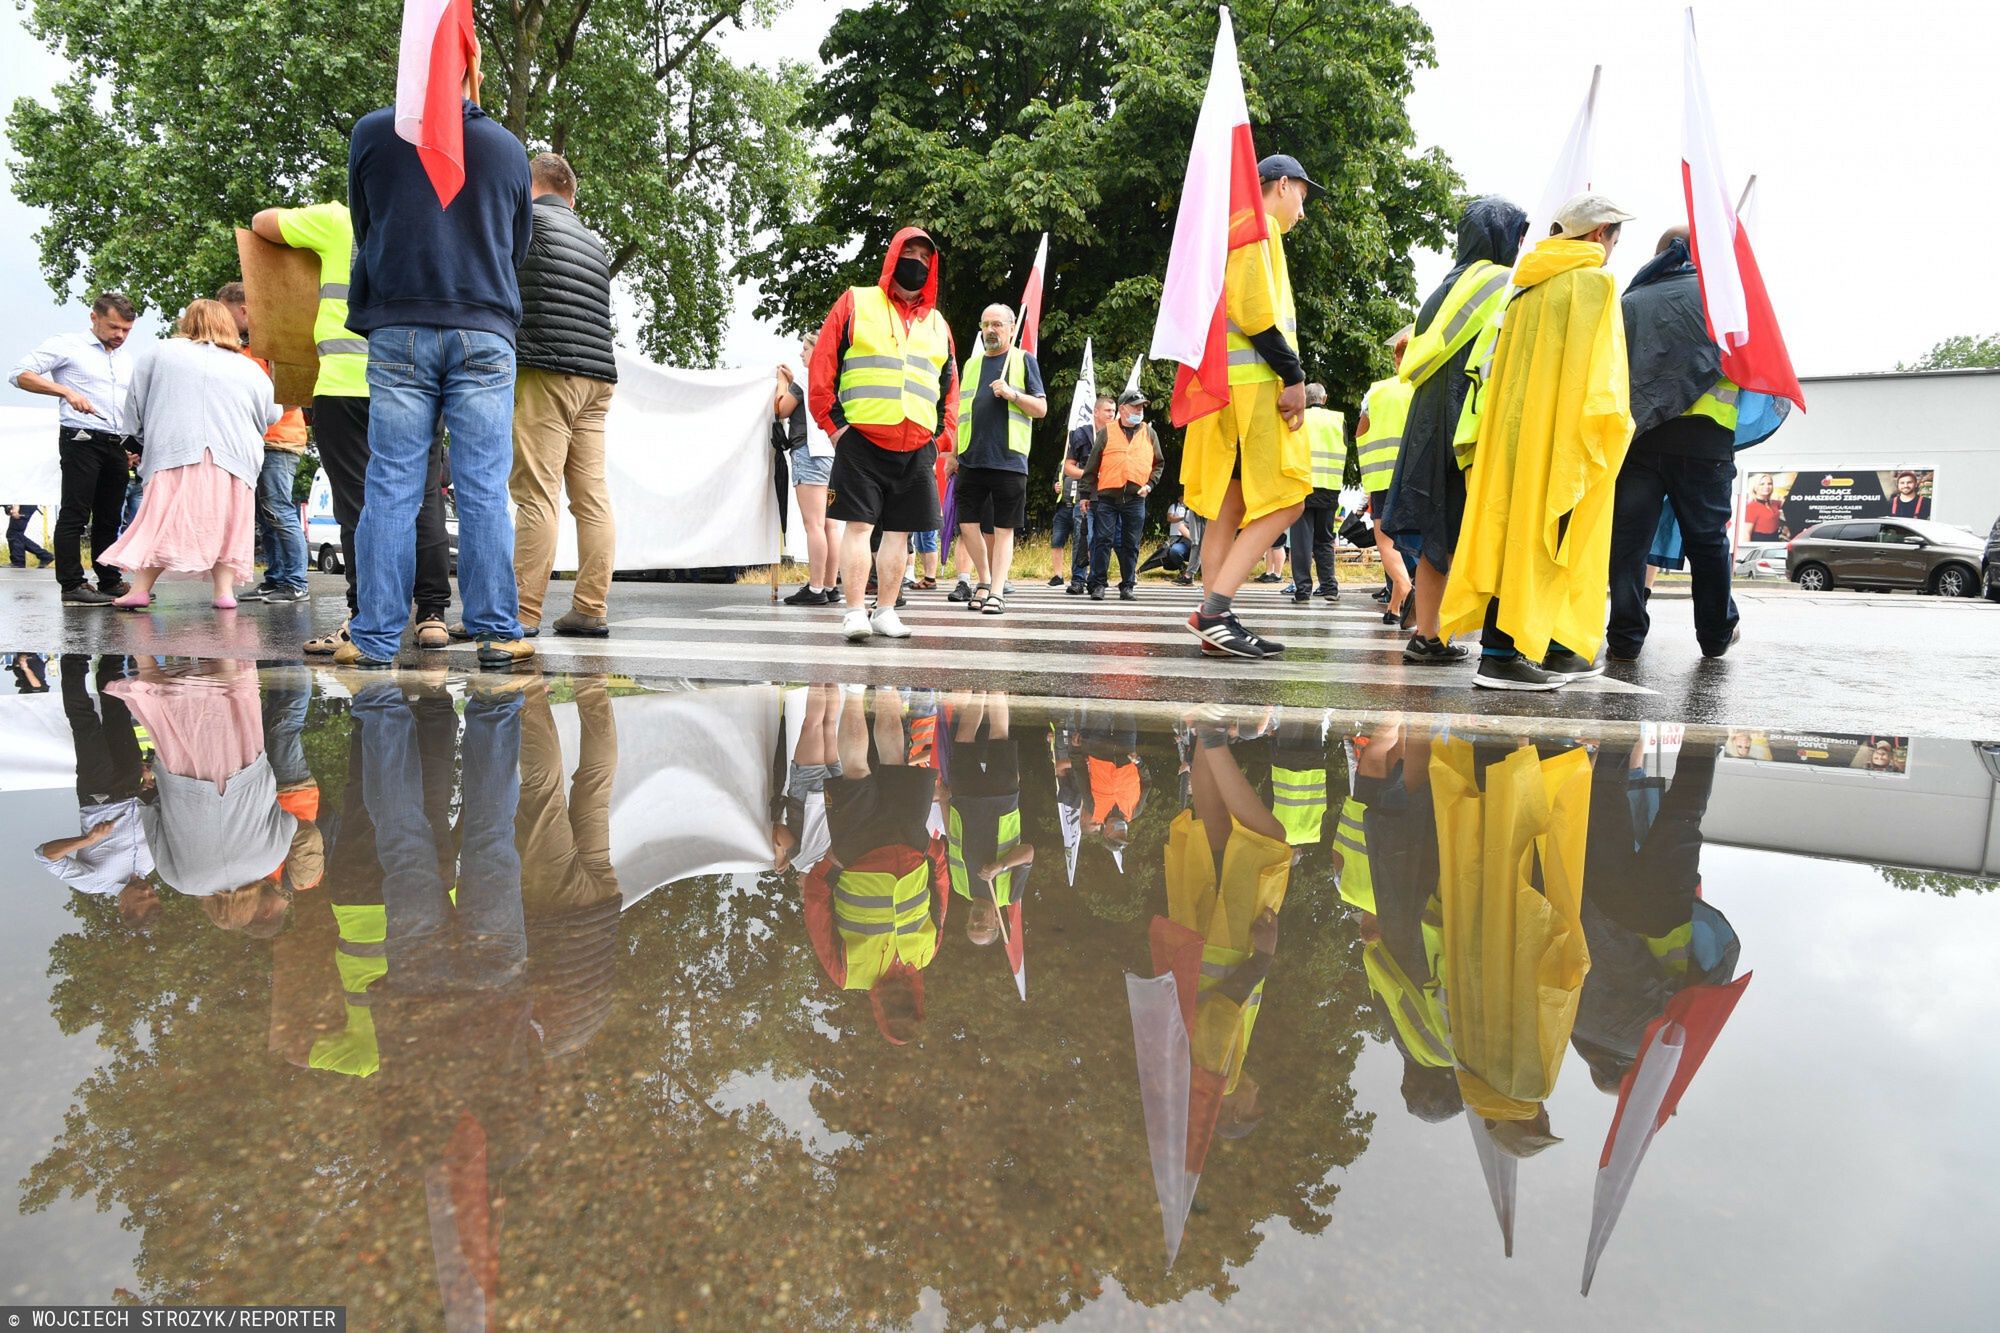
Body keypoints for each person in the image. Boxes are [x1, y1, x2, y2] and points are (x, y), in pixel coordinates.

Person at [341, 42, 535, 669]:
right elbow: (517, 242)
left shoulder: (373, 134)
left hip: (399, 324)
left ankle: (373, 636)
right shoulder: (506, 148)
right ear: (467, 69)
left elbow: (365, 227)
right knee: (482, 487)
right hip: (483, 326)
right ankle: (496, 632)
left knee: (392, 482)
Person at [1439, 193, 1638, 690]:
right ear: (1598, 235)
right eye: (1615, 237)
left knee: (1513, 534)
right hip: (1563, 438)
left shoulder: (1524, 286)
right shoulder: (1595, 283)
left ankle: (1530, 648)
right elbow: (1607, 382)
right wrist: (1612, 435)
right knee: (1549, 538)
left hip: (1512, 434)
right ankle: (1504, 657)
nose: (1614, 247)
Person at [251, 200, 456, 653]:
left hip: (344, 382)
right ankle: (432, 615)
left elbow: (261, 224)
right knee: (424, 499)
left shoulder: (335, 218)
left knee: (357, 505)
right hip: (417, 381)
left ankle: (364, 618)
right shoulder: (433, 218)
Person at [1608, 225, 1772, 662]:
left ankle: (1624, 637)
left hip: (1640, 439)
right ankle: (1715, 635)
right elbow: (1753, 365)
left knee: (1628, 542)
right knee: (1708, 543)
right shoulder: (1725, 303)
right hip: (1706, 440)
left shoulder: (1632, 300)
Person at [1182, 154, 1316, 660]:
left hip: (1224, 388)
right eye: (1301, 196)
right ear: (1281, 185)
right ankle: (1215, 611)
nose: (1301, 212)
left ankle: (1215, 624)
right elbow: (1256, 314)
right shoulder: (1258, 229)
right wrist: (1295, 375)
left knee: (1230, 506)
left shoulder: (1229, 228)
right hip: (1253, 392)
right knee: (1291, 497)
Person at [1384, 198, 1530, 660]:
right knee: (1492, 530)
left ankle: (1428, 635)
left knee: (1436, 532)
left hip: (1428, 422)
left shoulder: (1440, 291)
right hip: (1472, 420)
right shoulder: (1503, 284)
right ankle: (1501, 647)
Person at [806, 228, 957, 644]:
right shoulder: (857, 301)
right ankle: (855, 611)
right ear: (893, 257)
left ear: (932, 268)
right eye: (909, 253)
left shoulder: (938, 323)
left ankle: (886, 610)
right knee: (859, 527)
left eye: (925, 257)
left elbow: (949, 385)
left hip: (917, 445)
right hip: (862, 439)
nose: (917, 262)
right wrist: (835, 428)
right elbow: (822, 365)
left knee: (900, 534)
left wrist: (941, 439)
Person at [98, 300, 281, 609]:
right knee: (226, 524)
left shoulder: (160, 352)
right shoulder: (249, 367)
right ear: (228, 326)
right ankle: (224, 593)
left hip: (174, 452)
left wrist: (136, 438)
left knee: (162, 520)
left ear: (188, 322)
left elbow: (135, 401)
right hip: (234, 459)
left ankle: (140, 588)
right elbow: (272, 413)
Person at [508, 152, 620, 638]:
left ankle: (521, 612)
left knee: (536, 494)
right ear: (571, 194)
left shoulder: (524, 222)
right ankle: (590, 606)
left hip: (545, 369)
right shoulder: (594, 245)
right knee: (591, 498)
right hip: (597, 378)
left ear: (530, 185)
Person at [799, 686, 948, 1044]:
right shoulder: (927, 954)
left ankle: (852, 689)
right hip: (908, 842)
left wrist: (834, 861)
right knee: (896, 757)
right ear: (917, 1004)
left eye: (893, 1012)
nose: (899, 1004)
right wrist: (932, 850)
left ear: (880, 1012)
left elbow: (816, 906)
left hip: (857, 851)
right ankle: (886, 687)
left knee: (855, 769)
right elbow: (940, 895)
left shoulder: (846, 974)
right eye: (906, 1009)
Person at [9, 291, 139, 606]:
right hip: (80, 437)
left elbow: (129, 406)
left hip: (115, 442)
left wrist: (132, 444)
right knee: (75, 512)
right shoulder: (67, 345)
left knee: (110, 517)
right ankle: (72, 585)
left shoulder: (126, 360)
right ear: (94, 318)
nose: (119, 335)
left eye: (126, 330)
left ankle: (109, 579)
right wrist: (65, 391)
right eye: (113, 328)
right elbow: (19, 375)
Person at [35, 653, 158, 927]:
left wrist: (87, 842)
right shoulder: (150, 866)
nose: (147, 891)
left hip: (98, 795)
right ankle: (112, 660)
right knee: (119, 716)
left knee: (86, 723)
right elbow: (150, 820)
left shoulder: (94, 883)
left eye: (142, 899)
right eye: (153, 895)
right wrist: (149, 788)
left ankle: (74, 660)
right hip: (130, 787)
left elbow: (45, 856)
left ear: (124, 906)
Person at [946, 304, 1047, 614]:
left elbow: (1041, 409)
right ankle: (985, 579)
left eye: (998, 325)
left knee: (1004, 529)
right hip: (971, 459)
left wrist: (1013, 394)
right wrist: (953, 453)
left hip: (1008, 459)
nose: (991, 330)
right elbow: (963, 414)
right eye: (986, 324)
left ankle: (997, 592)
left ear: (1012, 329)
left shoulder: (1023, 360)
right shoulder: (973, 364)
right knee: (967, 525)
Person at [215, 282, 312, 604]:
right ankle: (275, 578)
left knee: (279, 509)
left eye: (226, 314)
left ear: (244, 310)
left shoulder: (274, 346)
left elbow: (296, 393)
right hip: (257, 442)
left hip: (279, 440)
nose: (222, 321)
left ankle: (296, 581)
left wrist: (266, 417)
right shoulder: (243, 349)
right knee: (266, 513)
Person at [1081, 387, 1165, 599]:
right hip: (1107, 497)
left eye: (1141, 406)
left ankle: (1127, 585)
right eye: (1135, 406)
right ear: (1123, 409)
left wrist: (1151, 484)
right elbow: (1092, 465)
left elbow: (1159, 463)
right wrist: (1084, 494)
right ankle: (1098, 584)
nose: (1139, 410)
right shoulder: (1107, 431)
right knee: (1102, 540)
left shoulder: (1149, 432)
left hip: (1136, 497)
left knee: (1131, 543)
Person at [779, 337, 843, 605]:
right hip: (831, 454)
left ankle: (815, 588)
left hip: (809, 453)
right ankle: (829, 585)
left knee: (814, 524)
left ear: (817, 349)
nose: (801, 353)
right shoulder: (834, 374)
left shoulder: (807, 374)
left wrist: (783, 382)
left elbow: (781, 408)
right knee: (830, 524)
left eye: (805, 348)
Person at [1357, 331, 1415, 620]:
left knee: (1386, 542)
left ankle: (1405, 586)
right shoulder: (1425, 387)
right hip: (1416, 475)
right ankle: (1394, 608)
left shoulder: (1377, 390)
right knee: (1414, 539)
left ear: (1396, 358)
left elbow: (1361, 432)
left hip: (1382, 475)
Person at [1287, 384, 1346, 606]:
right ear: (1325, 398)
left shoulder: (1298, 418)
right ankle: (1330, 587)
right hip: (1329, 487)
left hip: (1302, 487)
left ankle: (1302, 591)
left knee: (1301, 541)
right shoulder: (1338, 420)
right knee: (1325, 539)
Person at [1054, 394, 1114, 591]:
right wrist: (1090, 474)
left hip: (1109, 497)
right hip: (1086, 495)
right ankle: (1078, 579)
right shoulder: (1081, 434)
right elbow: (1069, 468)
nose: (1111, 414)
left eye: (1113, 411)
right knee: (1082, 537)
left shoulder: (1117, 435)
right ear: (1096, 412)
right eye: (1107, 410)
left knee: (1103, 539)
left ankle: (1097, 580)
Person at [7, 503, 53, 568]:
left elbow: (21, 493)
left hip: (24, 503)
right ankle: (45, 556)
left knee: (14, 533)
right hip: (27, 504)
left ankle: (18, 562)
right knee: (16, 534)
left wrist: (16, 505)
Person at [1742, 473, 1785, 541]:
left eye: (1769, 484)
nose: (1767, 486)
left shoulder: (1774, 503)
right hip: (1760, 541)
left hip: (1775, 540)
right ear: (1755, 487)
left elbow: (1791, 502)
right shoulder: (1751, 507)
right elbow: (1746, 533)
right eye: (1762, 484)